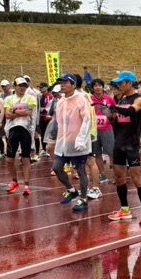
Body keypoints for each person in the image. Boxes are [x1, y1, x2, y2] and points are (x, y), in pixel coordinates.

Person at [105, 71, 141, 223]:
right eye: (117, 83)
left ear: (130, 83)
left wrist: (114, 108)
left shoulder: (138, 99)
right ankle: (125, 209)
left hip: (131, 144)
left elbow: (131, 111)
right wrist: (110, 116)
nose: (118, 85)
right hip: (119, 142)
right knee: (119, 177)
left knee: (136, 178)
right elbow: (117, 121)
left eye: (121, 83)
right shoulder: (121, 98)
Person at [51, 74, 93, 212]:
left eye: (66, 82)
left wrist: (81, 140)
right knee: (57, 168)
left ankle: (83, 198)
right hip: (63, 142)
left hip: (77, 142)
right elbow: (57, 120)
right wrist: (53, 137)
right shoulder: (61, 100)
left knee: (80, 171)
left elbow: (87, 120)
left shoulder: (81, 99)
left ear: (74, 85)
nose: (62, 85)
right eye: (61, 83)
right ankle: (71, 189)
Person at [2, 77, 37, 195]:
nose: (23, 87)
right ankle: (14, 181)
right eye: (20, 85)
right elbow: (7, 114)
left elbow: (29, 112)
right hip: (12, 130)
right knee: (9, 159)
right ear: (15, 86)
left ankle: (26, 185)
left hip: (26, 130)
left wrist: (14, 111)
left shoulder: (31, 98)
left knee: (26, 158)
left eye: (24, 86)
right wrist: (19, 112)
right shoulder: (9, 99)